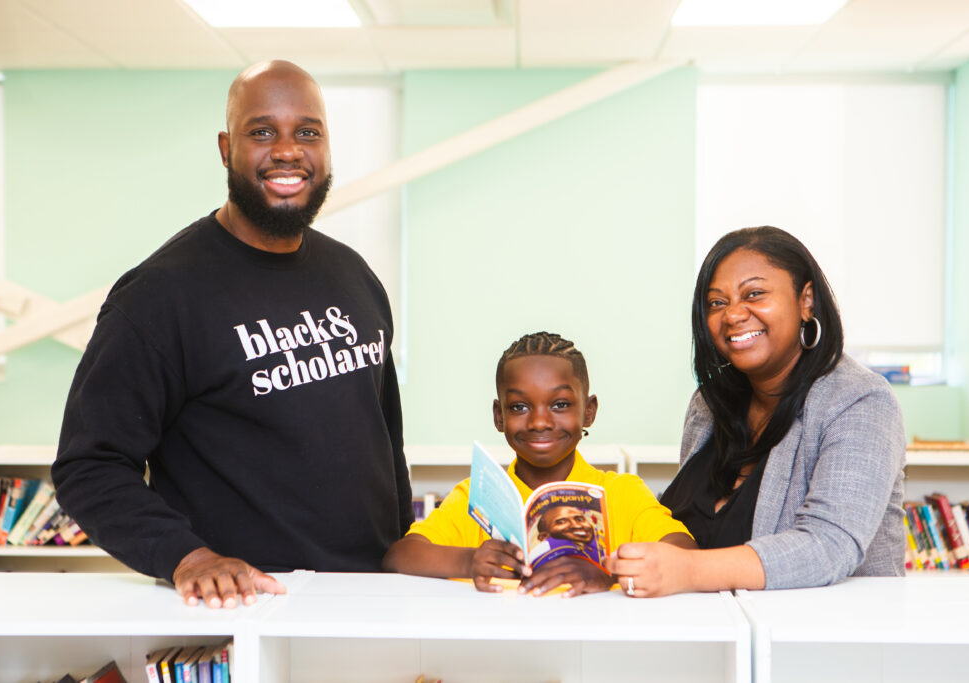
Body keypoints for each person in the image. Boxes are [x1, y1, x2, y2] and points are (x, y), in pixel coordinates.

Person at [52, 60, 412, 609]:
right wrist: (187, 557)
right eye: (262, 131)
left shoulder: (355, 274)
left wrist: (406, 550)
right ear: (226, 148)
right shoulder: (158, 296)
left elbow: (385, 441)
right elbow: (89, 464)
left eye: (307, 132)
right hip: (247, 607)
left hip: (373, 599)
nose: (288, 150)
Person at [606, 226, 906, 597]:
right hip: (718, 641)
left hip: (825, 641)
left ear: (806, 300)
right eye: (717, 303)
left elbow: (829, 546)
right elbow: (680, 531)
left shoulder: (860, 400)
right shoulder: (708, 405)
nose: (733, 315)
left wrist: (687, 570)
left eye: (755, 294)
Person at [383, 331, 694, 597]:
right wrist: (470, 561)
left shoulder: (621, 492)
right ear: (499, 416)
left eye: (560, 405)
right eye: (519, 406)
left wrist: (606, 573)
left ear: (589, 411)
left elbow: (687, 555)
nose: (540, 422)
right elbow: (399, 556)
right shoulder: (475, 496)